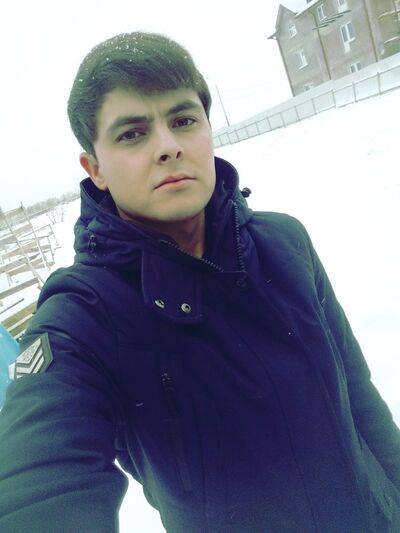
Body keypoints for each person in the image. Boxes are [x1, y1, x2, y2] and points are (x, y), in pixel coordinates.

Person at [0, 31, 399, 533]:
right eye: (132, 134)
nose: (168, 147)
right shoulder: (84, 316)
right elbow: (40, 486)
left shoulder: (285, 243)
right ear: (95, 168)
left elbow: (358, 399)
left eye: (183, 121)